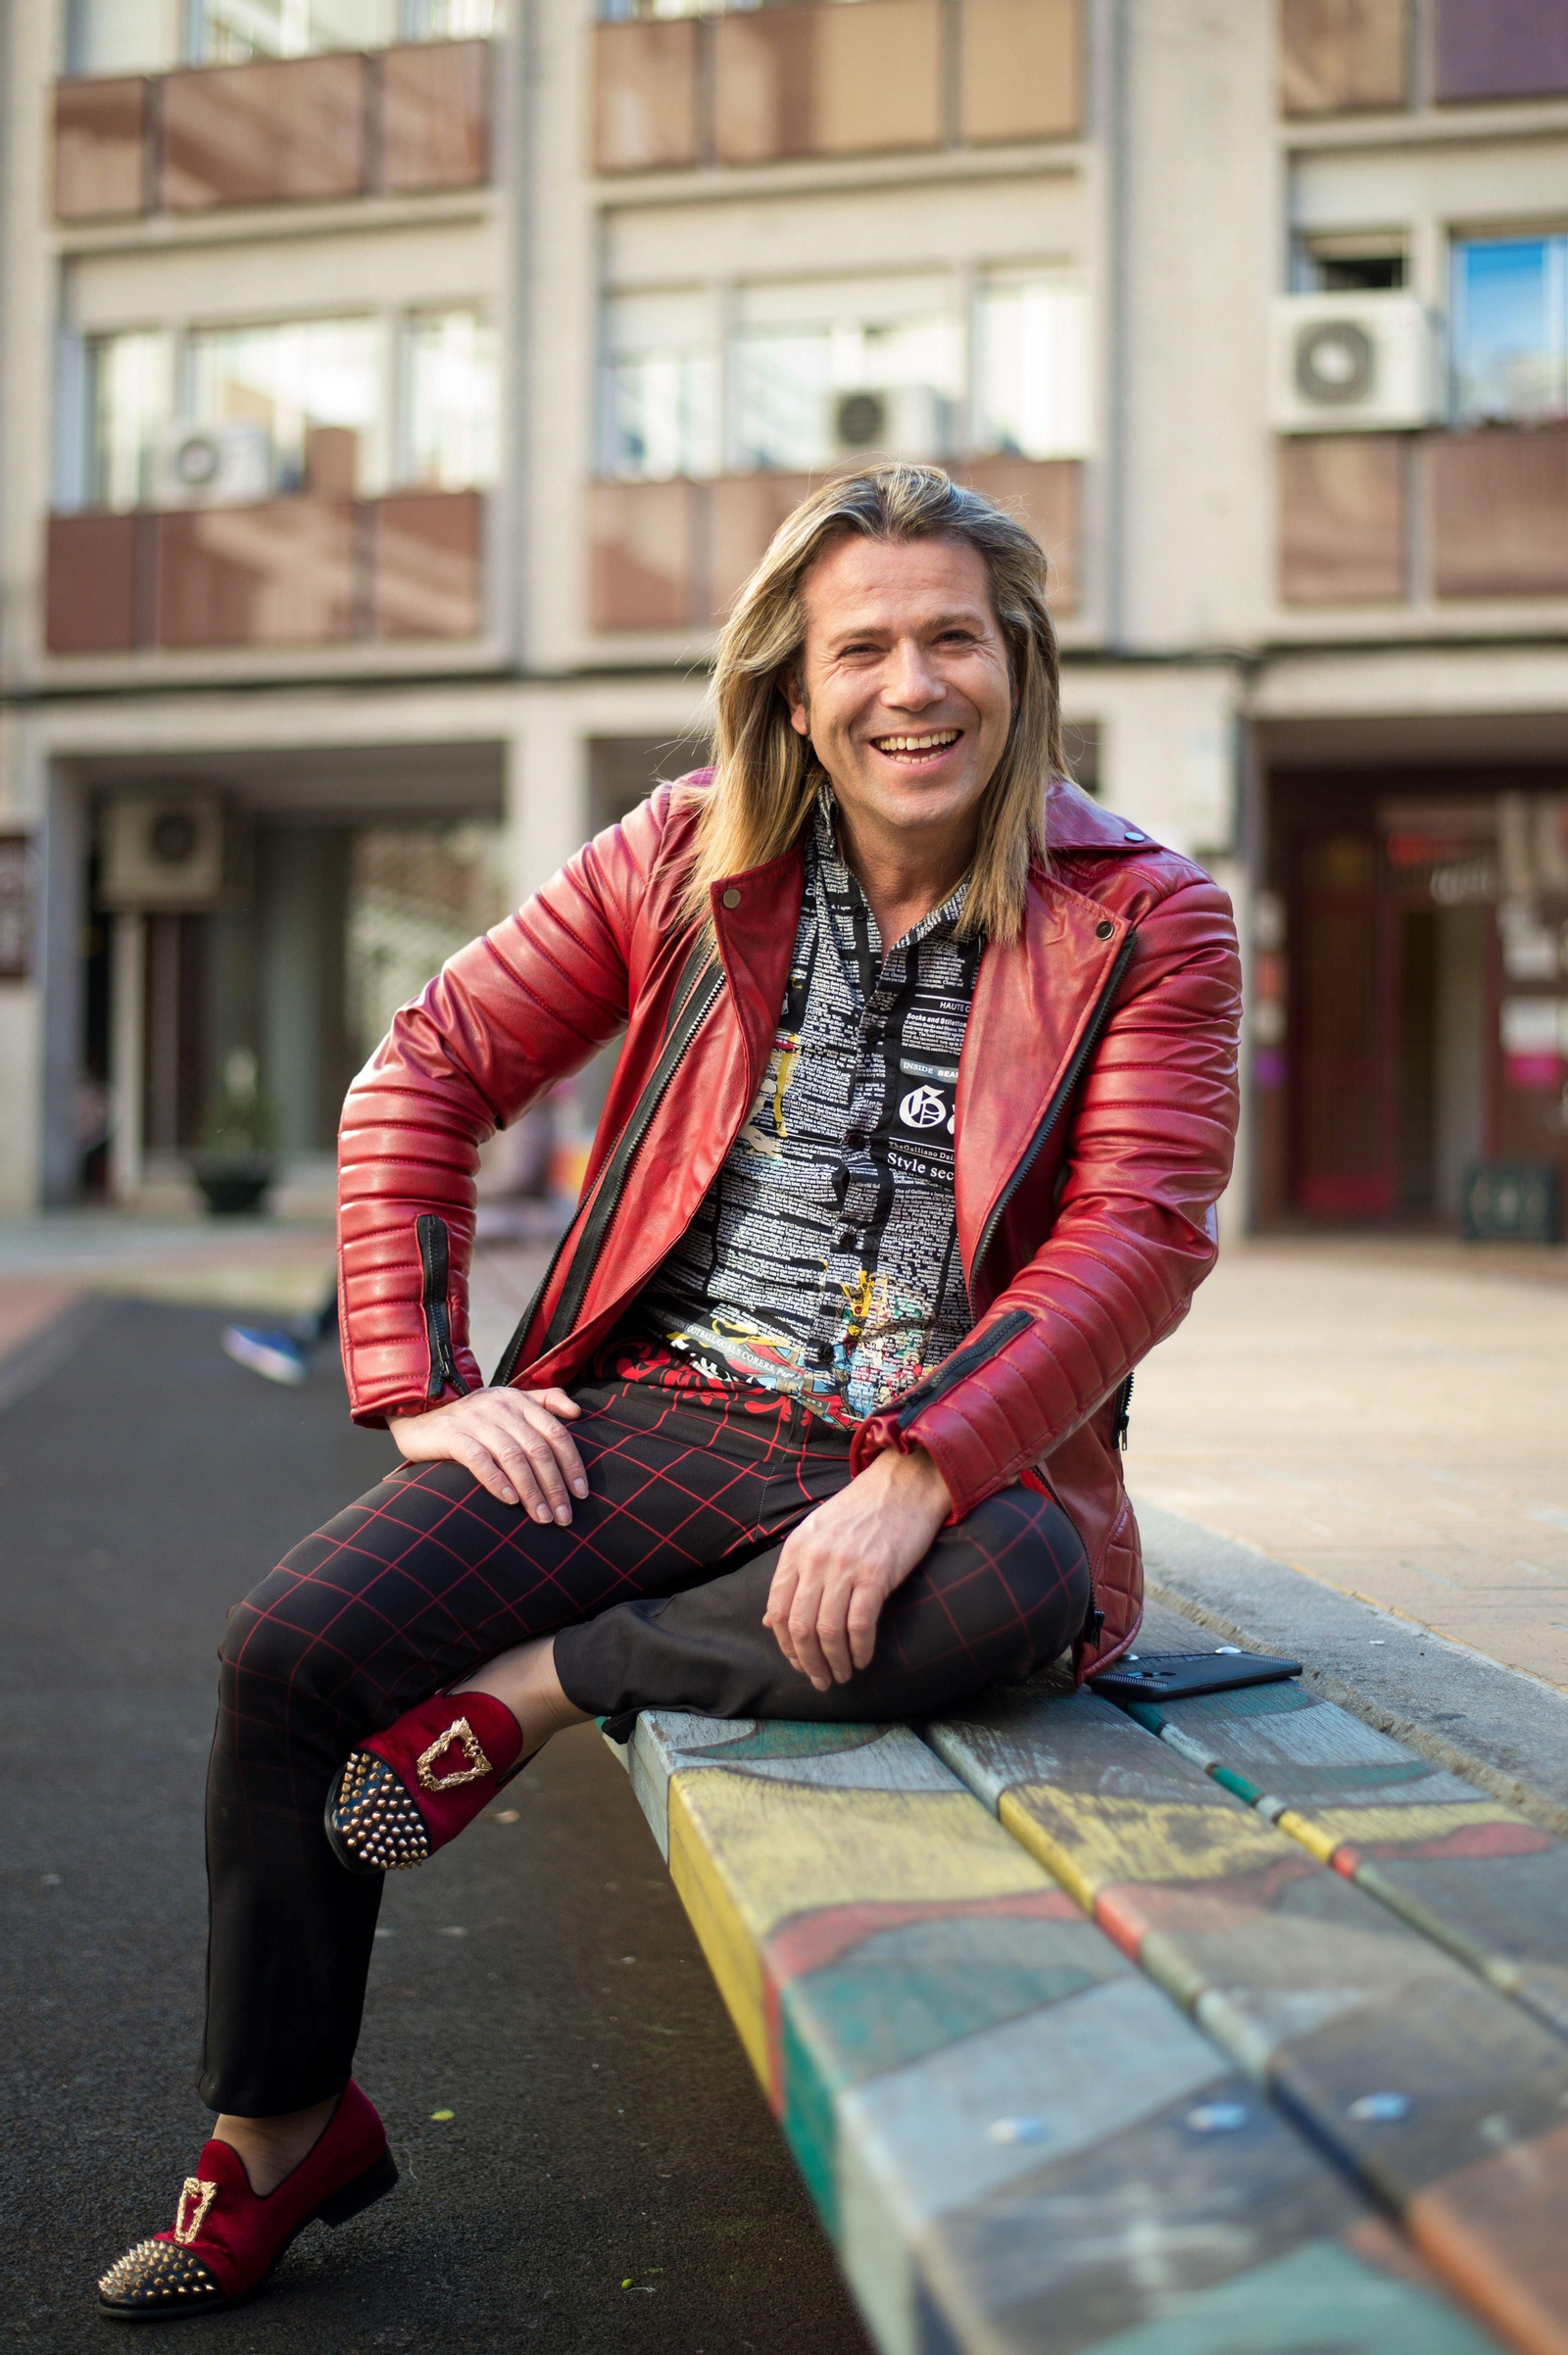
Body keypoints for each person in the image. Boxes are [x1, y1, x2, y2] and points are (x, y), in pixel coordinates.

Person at [97, 465, 1240, 2320]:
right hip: (674, 1410)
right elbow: (427, 1066)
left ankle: (545, 1691)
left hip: (955, 1460)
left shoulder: (1147, 914)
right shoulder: (683, 854)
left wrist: (921, 1470)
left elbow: (1142, 1234)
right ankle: (283, 2126)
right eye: (861, 648)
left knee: (1016, 1591)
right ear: (793, 686)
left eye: (954, 639)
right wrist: (422, 1383)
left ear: (1021, 666)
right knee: (289, 1654)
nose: (913, 685)